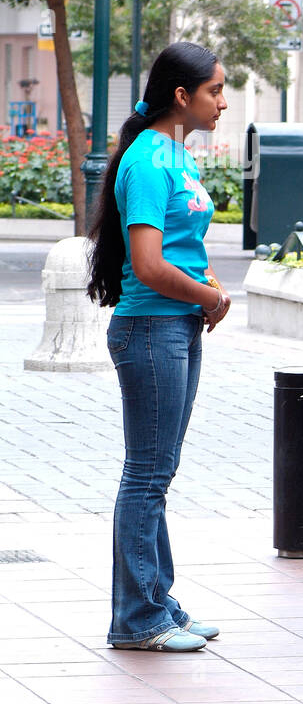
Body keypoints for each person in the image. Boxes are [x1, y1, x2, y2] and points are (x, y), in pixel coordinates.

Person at [86, 42, 232, 652]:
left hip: (176, 327)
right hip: (151, 329)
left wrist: (206, 289)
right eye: (215, 91)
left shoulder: (176, 155)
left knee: (158, 472)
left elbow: (177, 247)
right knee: (146, 474)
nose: (223, 103)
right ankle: (137, 618)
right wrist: (206, 297)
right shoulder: (149, 160)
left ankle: (158, 605)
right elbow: (147, 265)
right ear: (182, 96)